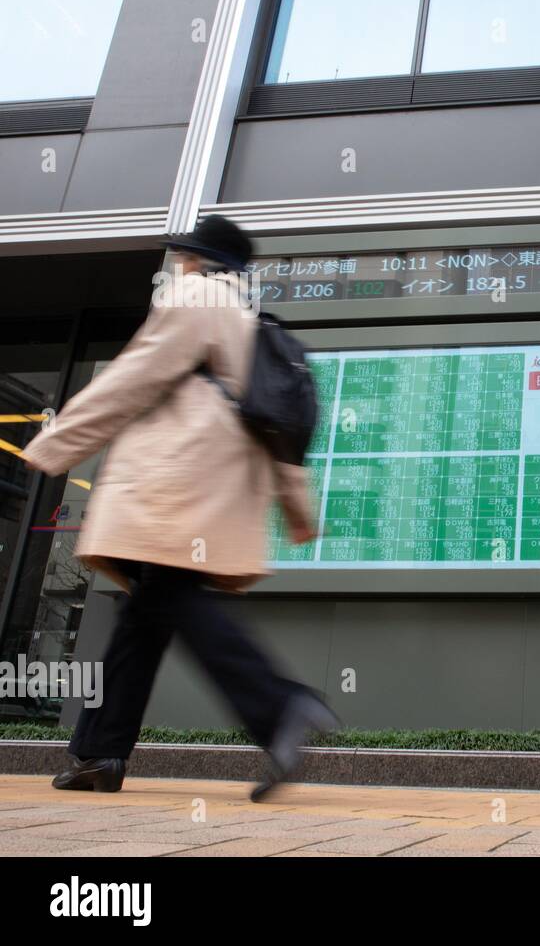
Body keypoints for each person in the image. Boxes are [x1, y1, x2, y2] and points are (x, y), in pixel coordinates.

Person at [21, 214, 337, 802]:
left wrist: (54, 443)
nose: (178, 263)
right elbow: (281, 432)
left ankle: (278, 706)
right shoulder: (249, 322)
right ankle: (99, 754)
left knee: (170, 599)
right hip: (212, 493)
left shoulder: (195, 296)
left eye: (184, 254)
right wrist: (298, 508)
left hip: (173, 486)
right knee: (147, 617)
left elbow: (135, 379)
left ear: (200, 259)